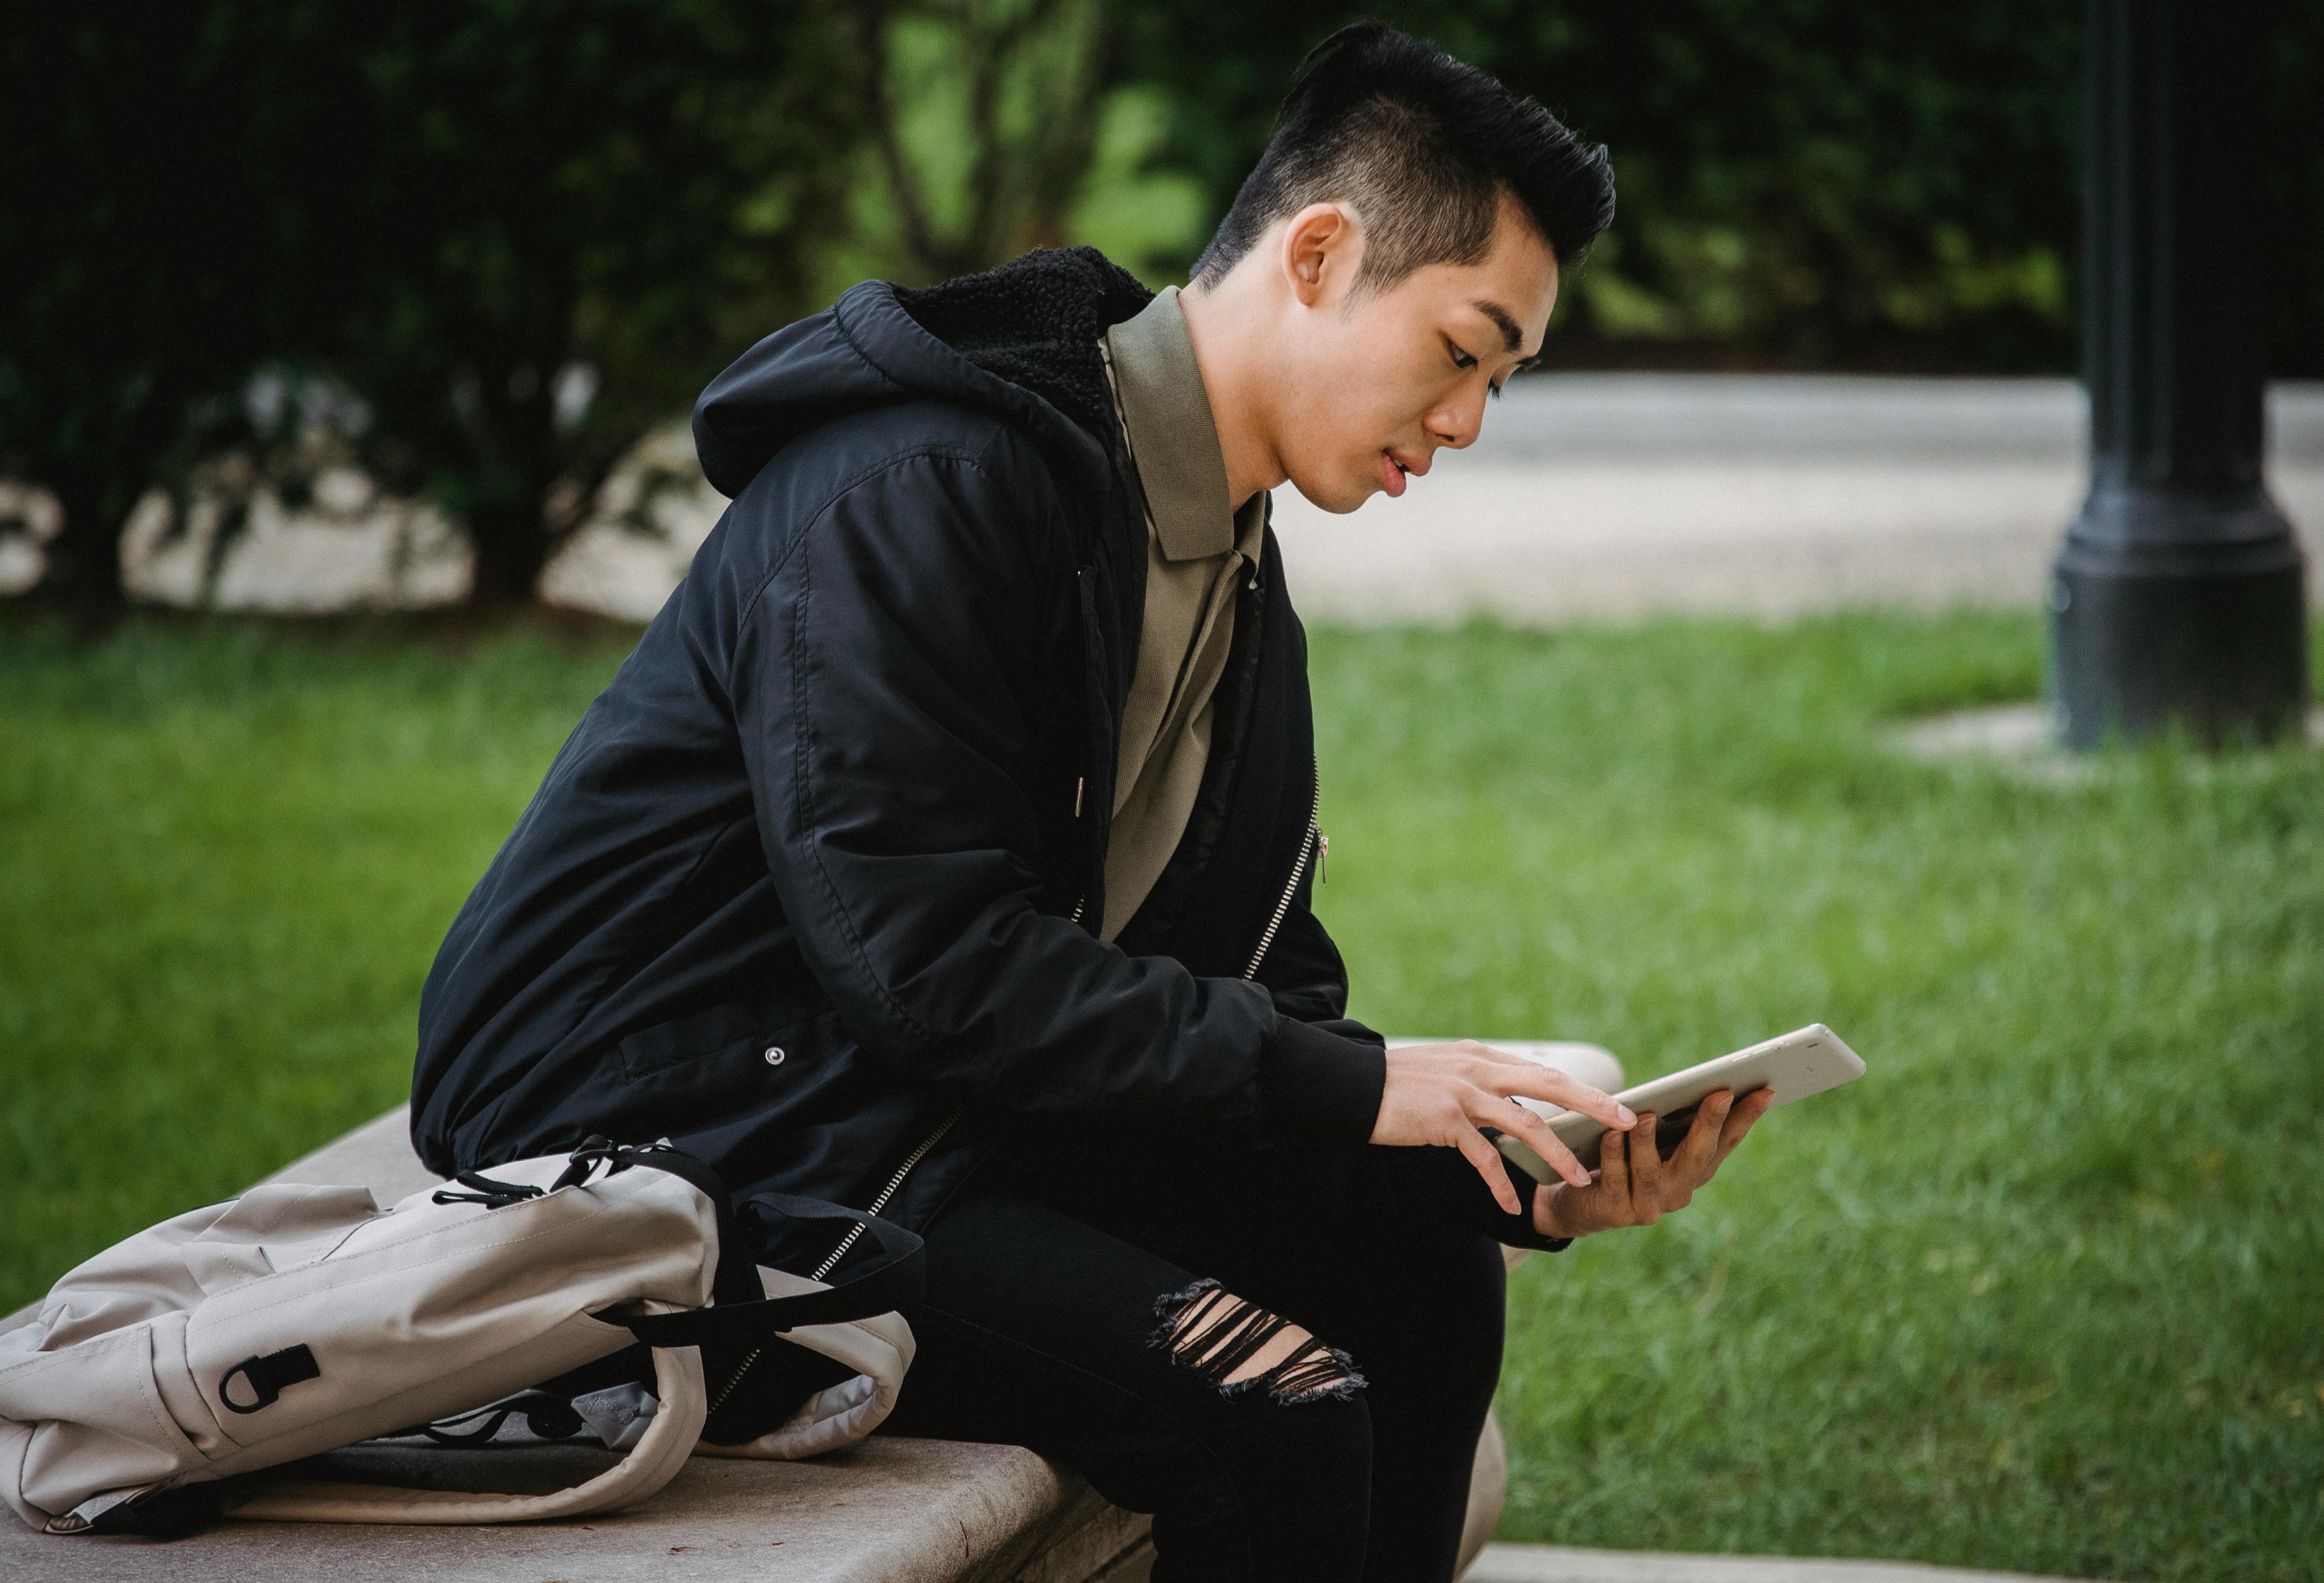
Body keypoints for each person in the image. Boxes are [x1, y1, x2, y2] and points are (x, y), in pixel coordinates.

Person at [409, 22, 1769, 1581]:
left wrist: (1529, 1179)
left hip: (914, 1108)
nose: (1466, 420)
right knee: (1278, 1406)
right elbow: (926, 957)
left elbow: (1259, 992)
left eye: (1501, 382)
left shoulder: (1231, 576)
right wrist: (1357, 1086)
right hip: (684, 1140)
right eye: (1464, 351)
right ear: (1318, 254)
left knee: (1429, 1251)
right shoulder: (927, 488)